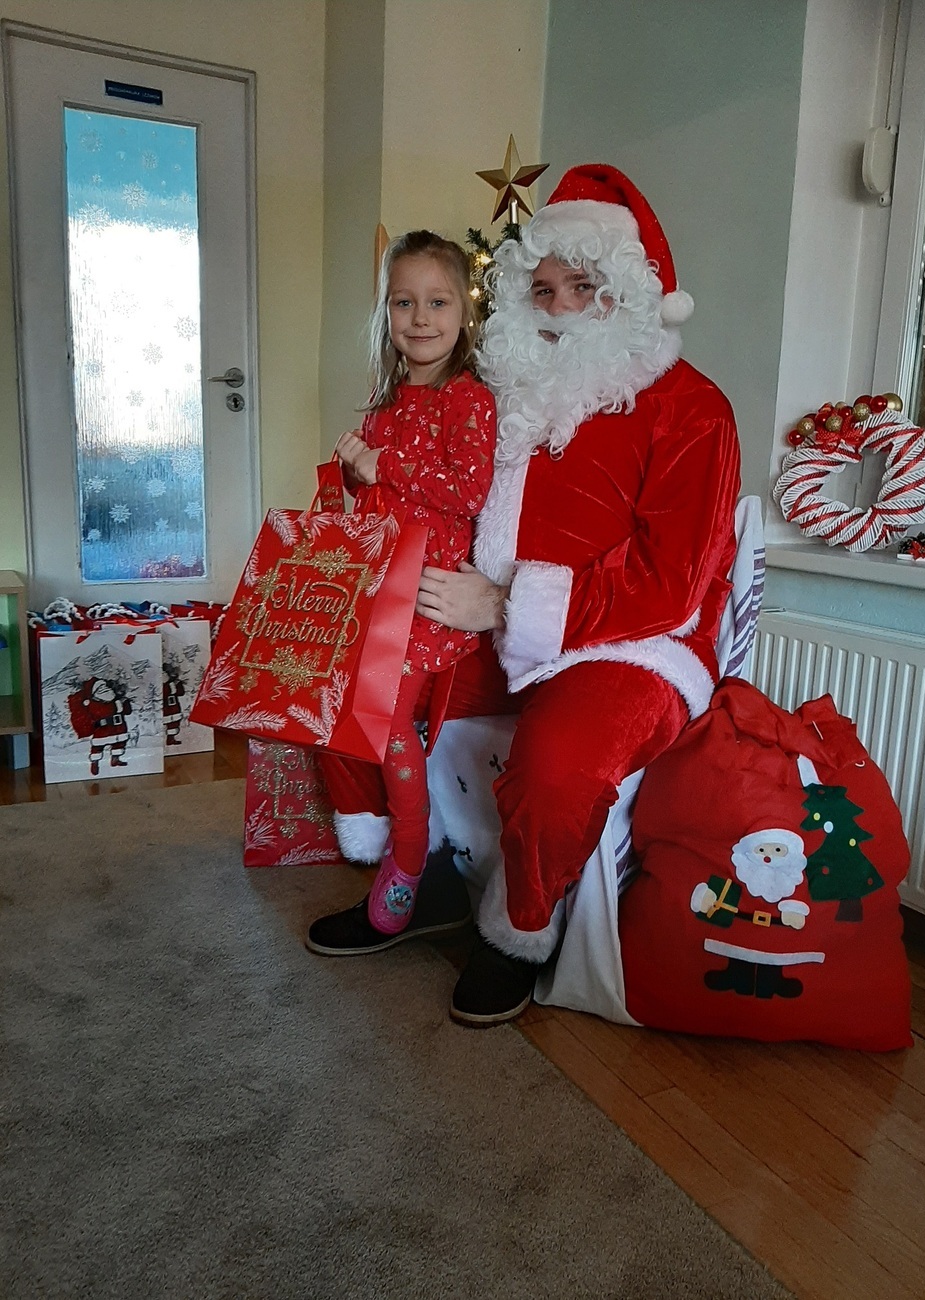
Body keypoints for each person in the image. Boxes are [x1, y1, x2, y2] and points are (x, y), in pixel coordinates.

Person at [308, 166, 741, 1027]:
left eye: (582, 286)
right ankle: (416, 879)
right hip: (479, 612)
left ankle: (516, 932)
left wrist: (507, 608)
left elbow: (672, 583)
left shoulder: (692, 409)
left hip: (629, 642)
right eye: (540, 290)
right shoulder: (505, 392)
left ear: (629, 294)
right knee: (355, 685)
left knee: (556, 764)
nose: (557, 307)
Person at [314, 230, 496, 939]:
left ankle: (411, 855)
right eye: (403, 302)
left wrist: (382, 465)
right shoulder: (385, 401)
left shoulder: (466, 398)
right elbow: (377, 503)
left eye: (437, 301)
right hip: (378, 590)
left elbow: (468, 491)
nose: (420, 319)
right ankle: (391, 839)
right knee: (357, 705)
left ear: (464, 311)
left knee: (388, 717)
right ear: (385, 313)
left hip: (429, 599)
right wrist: (354, 475)